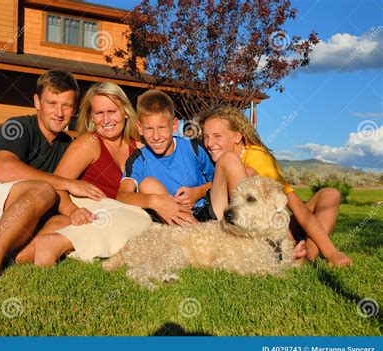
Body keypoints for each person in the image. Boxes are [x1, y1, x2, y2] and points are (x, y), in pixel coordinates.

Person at [0, 69, 106, 285]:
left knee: (64, 223)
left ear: (75, 108)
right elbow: (7, 172)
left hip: (9, 222)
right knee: (43, 190)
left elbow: (62, 196)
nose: (59, 112)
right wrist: (69, 183)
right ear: (37, 102)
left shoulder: (67, 146)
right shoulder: (19, 127)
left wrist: (74, 212)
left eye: (67, 105)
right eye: (51, 103)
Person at [198, 105, 352, 267]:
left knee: (330, 193)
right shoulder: (218, 156)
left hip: (267, 227)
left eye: (217, 136)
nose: (209, 143)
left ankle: (308, 256)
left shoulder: (257, 159)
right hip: (247, 227)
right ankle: (300, 255)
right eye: (206, 137)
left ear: (237, 137)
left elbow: (297, 207)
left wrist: (331, 253)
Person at [28, 82, 152, 266]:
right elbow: (56, 184)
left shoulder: (139, 148)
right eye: (99, 113)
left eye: (112, 111)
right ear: (92, 117)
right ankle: (56, 243)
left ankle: (62, 236)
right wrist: (73, 210)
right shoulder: (90, 143)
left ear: (125, 112)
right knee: (142, 220)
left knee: (140, 219)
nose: (106, 119)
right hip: (89, 205)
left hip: (118, 211)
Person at [117, 90, 215, 225]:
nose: (156, 136)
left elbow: (219, 181)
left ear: (174, 125)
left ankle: (196, 232)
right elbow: (122, 196)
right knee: (147, 184)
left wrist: (197, 192)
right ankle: (191, 233)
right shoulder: (139, 159)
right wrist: (154, 201)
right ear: (140, 128)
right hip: (173, 222)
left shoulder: (194, 147)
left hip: (206, 211)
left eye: (162, 127)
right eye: (149, 129)